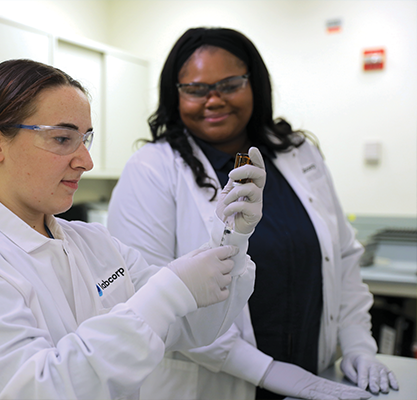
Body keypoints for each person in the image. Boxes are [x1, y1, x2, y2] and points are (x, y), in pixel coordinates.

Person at [0, 59, 265, 400]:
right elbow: (39, 391)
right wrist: (166, 293)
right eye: (62, 138)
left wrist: (231, 237)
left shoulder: (92, 244)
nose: (85, 160)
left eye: (84, 138)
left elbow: (193, 328)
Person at [107, 27, 397, 400]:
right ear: (174, 95)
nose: (213, 100)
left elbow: (341, 256)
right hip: (213, 386)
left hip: (315, 375)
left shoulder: (298, 154)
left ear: (254, 84)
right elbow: (151, 300)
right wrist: (269, 371)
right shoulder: (151, 169)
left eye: (229, 84)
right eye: (195, 89)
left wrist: (358, 344)